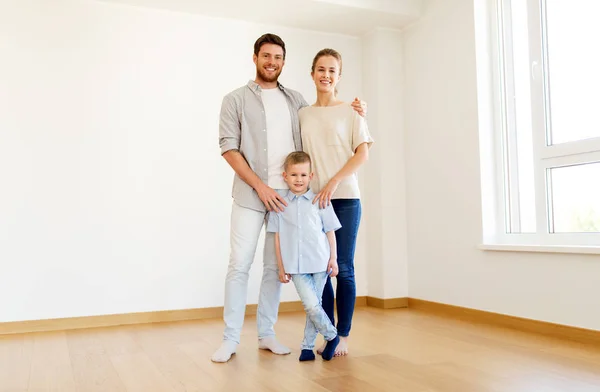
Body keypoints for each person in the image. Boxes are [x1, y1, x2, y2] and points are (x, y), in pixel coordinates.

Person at [212, 34, 366, 363]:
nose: (272, 62)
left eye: (278, 57)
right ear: (255, 58)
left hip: (290, 201)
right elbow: (228, 147)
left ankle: (266, 334)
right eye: (266, 55)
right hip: (251, 195)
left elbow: (329, 119)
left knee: (273, 270)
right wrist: (261, 186)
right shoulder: (235, 99)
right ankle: (230, 338)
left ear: (284, 62)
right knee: (239, 265)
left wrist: (359, 110)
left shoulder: (295, 101)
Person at [299, 48, 374, 357]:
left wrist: (333, 181)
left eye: (332, 70)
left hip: (344, 199)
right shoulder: (303, 113)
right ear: (312, 72)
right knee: (321, 269)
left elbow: (363, 153)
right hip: (313, 202)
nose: (325, 74)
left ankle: (343, 335)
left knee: (343, 267)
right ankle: (328, 333)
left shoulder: (352, 111)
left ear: (338, 76)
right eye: (320, 69)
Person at [267, 151, 342, 361]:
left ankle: (307, 348)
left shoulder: (320, 201)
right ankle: (332, 335)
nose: (298, 179)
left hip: (320, 262)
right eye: (293, 175)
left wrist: (333, 259)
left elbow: (330, 231)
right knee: (311, 304)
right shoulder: (279, 204)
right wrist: (281, 267)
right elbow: (278, 238)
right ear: (285, 176)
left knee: (313, 305)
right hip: (295, 265)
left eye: (302, 175)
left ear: (311, 176)